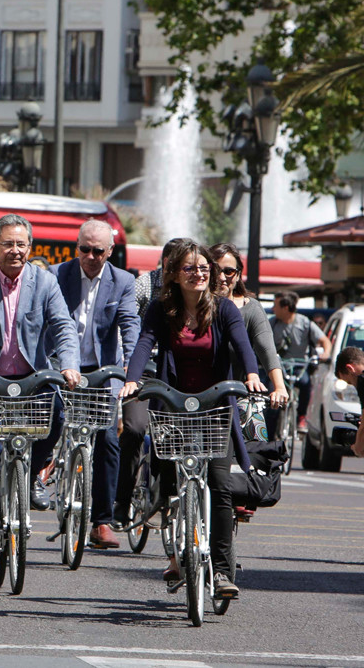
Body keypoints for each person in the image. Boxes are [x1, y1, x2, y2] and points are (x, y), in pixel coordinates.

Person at [120, 239, 267, 599]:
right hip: (174, 404)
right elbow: (144, 342)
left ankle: (220, 571)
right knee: (171, 483)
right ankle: (174, 545)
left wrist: (251, 375)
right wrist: (132, 380)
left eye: (204, 268)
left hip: (216, 406)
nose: (199, 273)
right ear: (174, 274)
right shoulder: (161, 308)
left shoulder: (224, 309)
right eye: (190, 267)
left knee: (219, 487)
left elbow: (242, 344)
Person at [0, 213, 81, 564]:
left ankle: (29, 477)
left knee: (57, 415)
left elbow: (62, 326)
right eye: (8, 243)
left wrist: (69, 364)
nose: (15, 250)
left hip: (32, 380)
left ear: (30, 247)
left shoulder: (44, 282)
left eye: (21, 244)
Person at [50, 220, 139, 549]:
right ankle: (35, 475)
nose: (90, 256)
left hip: (104, 369)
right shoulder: (57, 275)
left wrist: (132, 366)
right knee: (51, 421)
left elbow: (130, 324)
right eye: (84, 249)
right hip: (61, 366)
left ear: (110, 252)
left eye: (98, 251)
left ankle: (101, 520)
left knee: (106, 438)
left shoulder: (123, 281)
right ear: (76, 248)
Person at [114, 237, 189, 526]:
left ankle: (169, 494)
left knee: (174, 435)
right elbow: (128, 322)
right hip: (142, 371)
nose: (181, 273)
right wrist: (127, 364)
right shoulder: (145, 285)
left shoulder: (193, 290)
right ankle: (121, 500)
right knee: (133, 429)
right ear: (165, 263)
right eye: (175, 266)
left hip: (175, 374)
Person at [210, 243, 288, 420]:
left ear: (238, 275)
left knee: (255, 441)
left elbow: (266, 349)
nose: (222, 277)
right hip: (194, 397)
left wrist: (279, 387)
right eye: (215, 270)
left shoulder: (250, 308)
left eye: (229, 271)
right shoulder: (195, 306)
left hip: (238, 396)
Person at [270, 291, 330, 432]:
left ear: (285, 308)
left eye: (276, 306)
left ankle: (301, 416)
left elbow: (324, 340)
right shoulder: (271, 323)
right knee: (272, 396)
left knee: (305, 383)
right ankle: (269, 436)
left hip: (299, 367)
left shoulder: (304, 323)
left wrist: (326, 353)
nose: (273, 309)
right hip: (279, 367)